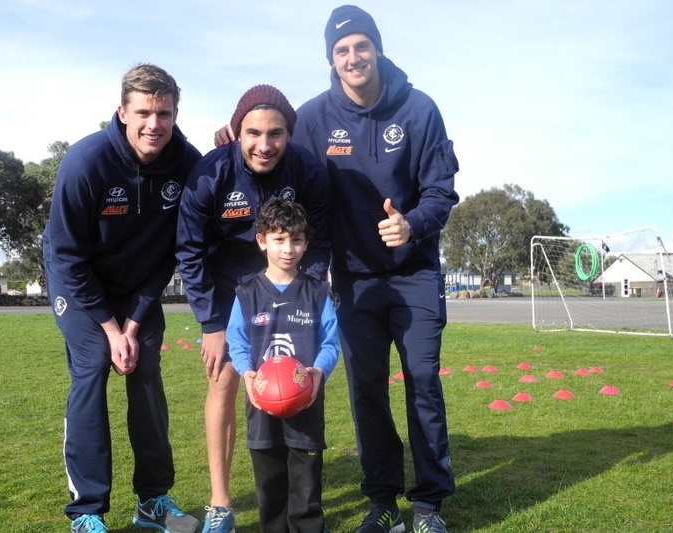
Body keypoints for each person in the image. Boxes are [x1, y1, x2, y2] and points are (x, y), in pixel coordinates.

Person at [214, 6, 460, 533]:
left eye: (361, 46)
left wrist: (413, 224)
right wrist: (235, 146)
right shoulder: (313, 119)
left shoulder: (420, 110)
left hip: (413, 273)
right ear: (332, 58)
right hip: (351, 280)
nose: (353, 57)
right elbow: (272, 154)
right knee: (366, 389)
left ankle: (428, 505)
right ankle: (381, 500)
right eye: (341, 50)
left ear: (377, 48)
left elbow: (443, 189)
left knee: (421, 382)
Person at [43, 63, 202, 533]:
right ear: (123, 111)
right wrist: (111, 329)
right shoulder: (85, 162)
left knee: (146, 370)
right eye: (144, 112)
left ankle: (152, 500)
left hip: (139, 286)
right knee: (93, 367)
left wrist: (133, 325)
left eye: (165, 113)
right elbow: (68, 256)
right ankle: (86, 510)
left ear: (175, 113)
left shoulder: (187, 164)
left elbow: (173, 252)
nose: (155, 124)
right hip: (77, 281)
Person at [176, 85, 331, 533]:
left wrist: (306, 292)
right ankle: (221, 504)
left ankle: (299, 487)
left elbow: (319, 241)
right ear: (236, 132)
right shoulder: (211, 173)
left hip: (288, 276)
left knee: (298, 368)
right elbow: (189, 250)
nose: (265, 144)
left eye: (276, 133)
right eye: (254, 132)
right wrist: (211, 323)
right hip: (230, 283)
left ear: (289, 134)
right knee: (225, 374)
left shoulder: (308, 171)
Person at [227, 198, 339, 533]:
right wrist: (246, 371)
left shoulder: (317, 292)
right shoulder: (247, 292)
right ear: (262, 241)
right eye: (279, 239)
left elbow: (331, 342)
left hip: (305, 404)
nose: (287, 248)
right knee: (270, 483)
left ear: (306, 244)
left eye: (296, 240)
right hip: (261, 403)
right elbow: (238, 341)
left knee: (305, 486)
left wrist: (319, 371)